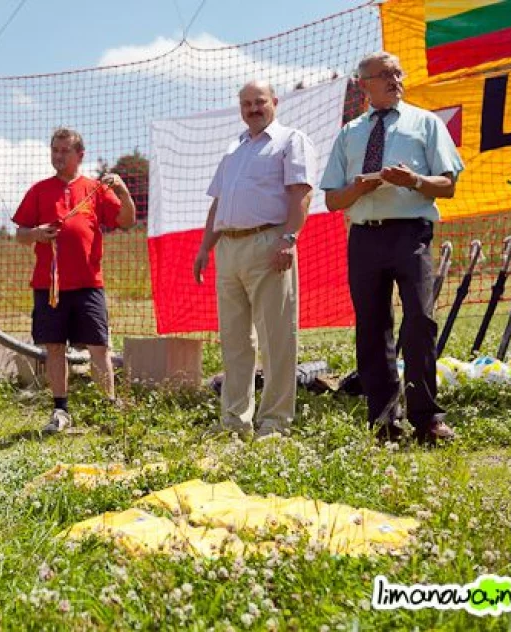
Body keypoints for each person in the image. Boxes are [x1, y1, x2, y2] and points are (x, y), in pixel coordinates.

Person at [321, 51, 463, 445]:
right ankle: (384, 422)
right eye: (384, 74)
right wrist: (358, 188)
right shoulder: (350, 132)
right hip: (364, 236)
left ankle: (428, 420)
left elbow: (448, 185)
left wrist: (414, 179)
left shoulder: (426, 122)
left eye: (397, 72)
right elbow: (333, 199)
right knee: (371, 328)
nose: (395, 78)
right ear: (363, 84)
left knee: (419, 320)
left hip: (410, 233)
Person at [192, 81, 318, 440]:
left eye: (259, 101)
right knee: (234, 341)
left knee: (276, 338)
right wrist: (205, 248)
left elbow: (301, 193)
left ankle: (275, 423)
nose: (252, 108)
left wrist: (289, 239)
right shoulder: (234, 148)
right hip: (228, 249)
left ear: (274, 102)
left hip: (269, 242)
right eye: (246, 103)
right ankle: (234, 422)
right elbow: (218, 203)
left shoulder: (290, 140)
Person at [12, 128, 136, 435]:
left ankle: (109, 406)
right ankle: (60, 410)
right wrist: (36, 233)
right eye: (55, 150)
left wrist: (122, 190)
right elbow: (20, 235)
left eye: (65, 150)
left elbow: (127, 221)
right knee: (54, 347)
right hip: (49, 285)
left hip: (88, 283)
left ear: (80, 155)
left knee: (99, 346)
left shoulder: (95, 189)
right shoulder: (39, 190)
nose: (58, 155)